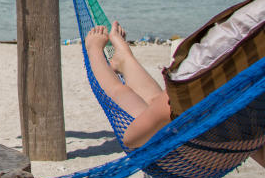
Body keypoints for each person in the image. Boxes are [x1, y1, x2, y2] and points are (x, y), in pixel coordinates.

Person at [85, 21, 265, 167]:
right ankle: (124, 59)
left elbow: (131, 139)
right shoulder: (253, 94)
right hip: (223, 154)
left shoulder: (203, 89)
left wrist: (94, 48)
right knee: (160, 104)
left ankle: (96, 51)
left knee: (123, 93)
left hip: (184, 157)